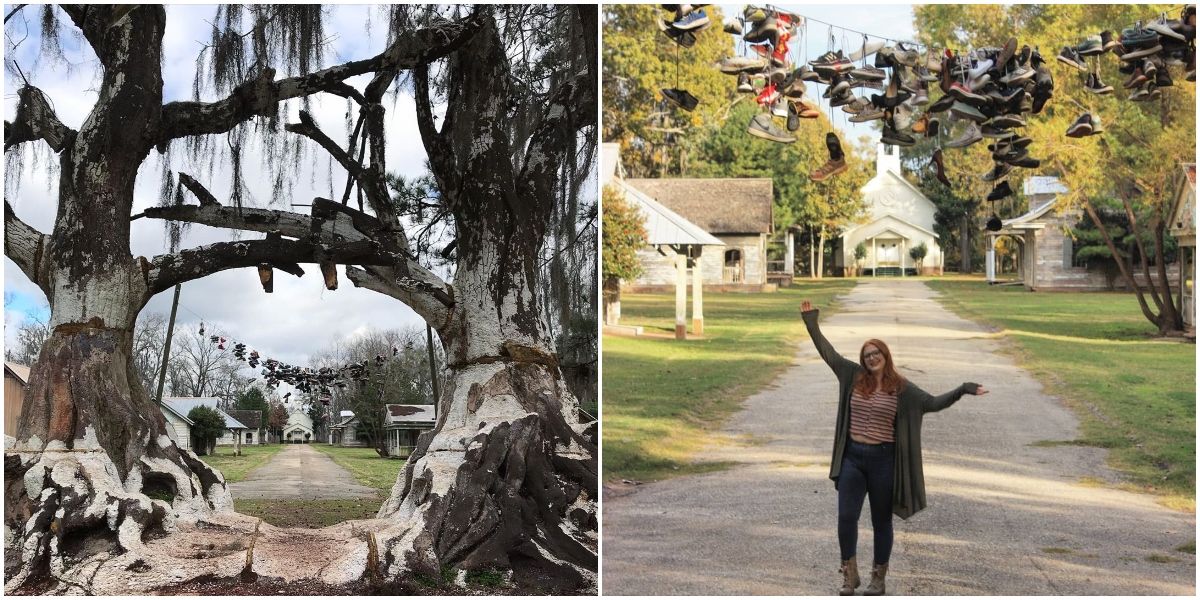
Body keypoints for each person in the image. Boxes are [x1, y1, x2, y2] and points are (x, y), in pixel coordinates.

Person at [799, 300, 988, 596]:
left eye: (876, 353)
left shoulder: (902, 388)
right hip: (853, 458)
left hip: (883, 460)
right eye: (867, 354)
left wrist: (963, 388)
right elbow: (828, 353)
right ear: (863, 359)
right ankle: (849, 575)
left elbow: (933, 403)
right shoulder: (852, 375)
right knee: (846, 517)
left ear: (885, 356)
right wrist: (811, 322)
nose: (872, 357)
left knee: (881, 521)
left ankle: (878, 579)